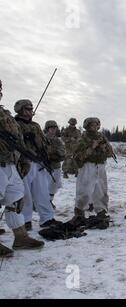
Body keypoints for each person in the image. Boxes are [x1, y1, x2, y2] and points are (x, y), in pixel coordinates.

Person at [0, 80, 44, 256]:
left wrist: (22, 158)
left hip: (10, 164)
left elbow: (16, 140)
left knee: (16, 199)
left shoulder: (4, 114)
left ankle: (20, 237)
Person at [14, 99, 60, 230]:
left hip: (39, 162)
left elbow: (44, 142)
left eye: (31, 108)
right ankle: (25, 220)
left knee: (43, 192)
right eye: (27, 109)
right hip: (24, 163)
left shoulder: (35, 125)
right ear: (20, 110)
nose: (30, 111)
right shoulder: (15, 124)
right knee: (25, 193)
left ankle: (47, 218)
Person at [72, 118, 113, 222]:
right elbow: (78, 156)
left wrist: (104, 148)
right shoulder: (83, 138)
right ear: (87, 126)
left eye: (96, 125)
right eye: (92, 125)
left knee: (101, 189)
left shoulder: (102, 137)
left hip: (100, 166)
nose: (94, 127)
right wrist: (92, 147)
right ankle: (79, 211)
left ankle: (101, 211)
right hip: (87, 166)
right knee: (84, 190)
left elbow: (110, 153)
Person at [44, 120, 65, 208]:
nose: (53, 130)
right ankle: (41, 202)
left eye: (55, 128)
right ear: (47, 129)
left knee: (53, 186)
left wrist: (53, 152)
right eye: (51, 128)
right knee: (44, 185)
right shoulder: (42, 139)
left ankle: (50, 201)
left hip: (56, 166)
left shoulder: (58, 141)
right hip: (45, 166)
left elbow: (62, 153)